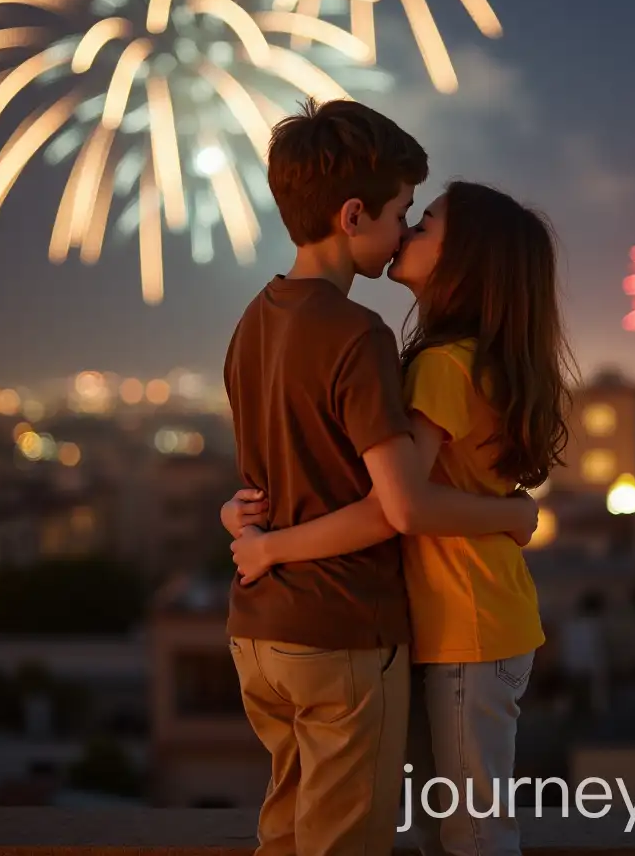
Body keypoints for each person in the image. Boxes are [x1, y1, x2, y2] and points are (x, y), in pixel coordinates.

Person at [222, 100, 539, 856]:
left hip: (257, 634)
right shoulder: (357, 333)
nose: (404, 230)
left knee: (286, 836)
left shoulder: (251, 322)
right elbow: (394, 508)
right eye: (403, 212)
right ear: (355, 213)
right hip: (339, 628)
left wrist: (245, 530)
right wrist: (513, 516)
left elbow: (267, 476)